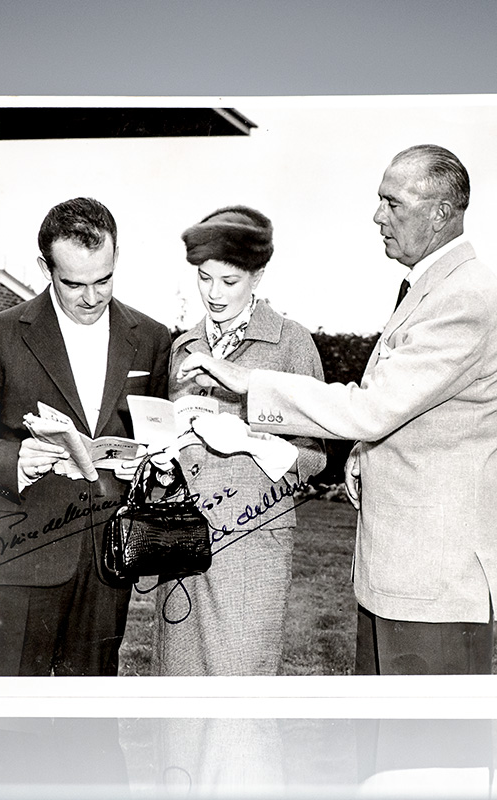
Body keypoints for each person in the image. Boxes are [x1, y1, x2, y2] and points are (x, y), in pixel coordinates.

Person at [178, 146, 497, 674]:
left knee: (426, 751)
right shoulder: (430, 289)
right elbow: (419, 413)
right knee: (388, 747)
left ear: (440, 213)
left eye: (393, 203)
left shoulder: (463, 297)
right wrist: (363, 455)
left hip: (435, 581)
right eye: (378, 200)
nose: (378, 216)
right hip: (404, 576)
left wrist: (252, 384)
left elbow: (374, 407)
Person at [0, 197, 171, 676]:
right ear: (45, 268)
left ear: (116, 258)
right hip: (23, 551)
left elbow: (161, 442)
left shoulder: (152, 337)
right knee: (16, 716)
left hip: (109, 555)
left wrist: (146, 466)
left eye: (103, 279)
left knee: (90, 717)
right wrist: (15, 459)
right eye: (73, 283)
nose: (91, 297)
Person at [151, 205, 326, 676]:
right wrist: (162, 459)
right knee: (180, 689)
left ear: (258, 275)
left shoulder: (291, 343)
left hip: (253, 544)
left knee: (241, 691)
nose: (213, 293)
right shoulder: (185, 347)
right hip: (183, 542)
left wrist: (246, 441)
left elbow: (313, 459)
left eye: (228, 282)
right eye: (204, 279)